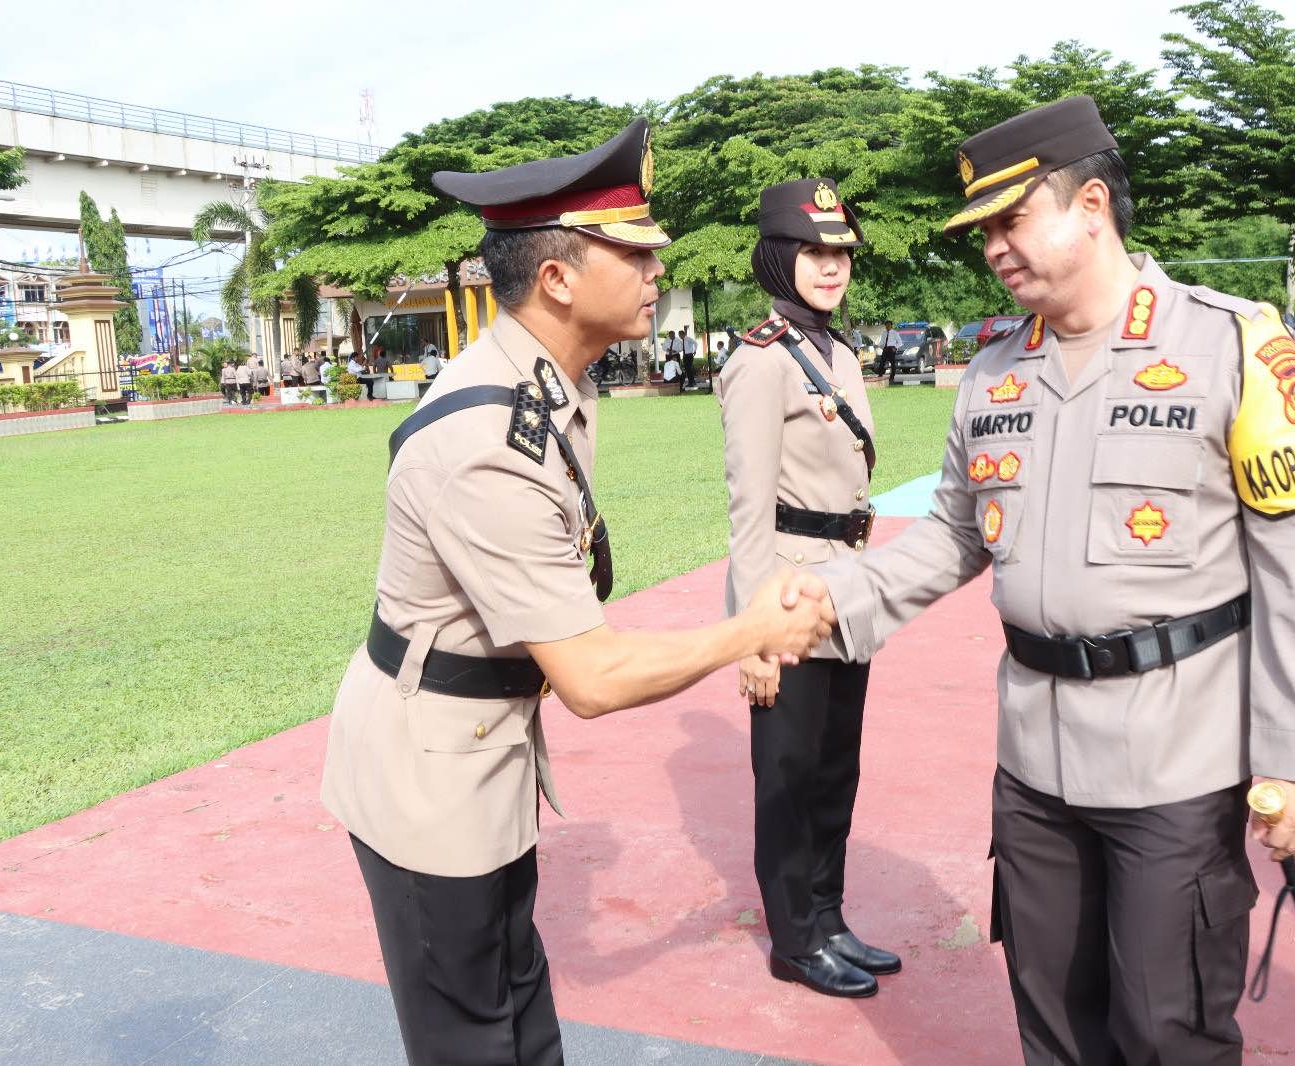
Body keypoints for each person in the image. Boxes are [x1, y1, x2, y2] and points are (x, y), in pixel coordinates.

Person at [810, 96, 1295, 1064]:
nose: (992, 248)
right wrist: (828, 599)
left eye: (1009, 221)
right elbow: (949, 537)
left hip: (1174, 761)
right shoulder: (989, 377)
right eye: (982, 232)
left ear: (1091, 204)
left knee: (1165, 1029)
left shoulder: (1228, 343)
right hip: (1032, 767)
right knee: (1052, 1026)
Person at [319, 118, 836, 1066]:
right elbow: (592, 677)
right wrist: (750, 628)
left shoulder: (552, 383)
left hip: (482, 744)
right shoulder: (490, 441)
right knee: (473, 1034)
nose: (655, 268)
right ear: (556, 277)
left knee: (520, 1005)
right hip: (429, 769)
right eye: (632, 252)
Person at [719, 177, 894, 1000]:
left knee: (834, 771)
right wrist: (752, 636)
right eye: (813, 252)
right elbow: (749, 509)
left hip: (848, 590)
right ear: (779, 259)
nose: (830, 268)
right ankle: (795, 939)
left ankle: (827, 918)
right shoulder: (760, 361)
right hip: (786, 596)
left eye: (839, 253)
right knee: (787, 778)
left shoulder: (841, 353)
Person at [681, 325, 699, 390]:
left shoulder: (688, 339)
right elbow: (682, 348)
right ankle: (691, 381)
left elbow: (695, 343)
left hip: (689, 355)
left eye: (680, 335)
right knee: (687, 369)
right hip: (685, 356)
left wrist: (695, 350)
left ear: (683, 334)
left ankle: (691, 382)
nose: (680, 336)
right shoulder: (682, 340)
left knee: (689, 369)